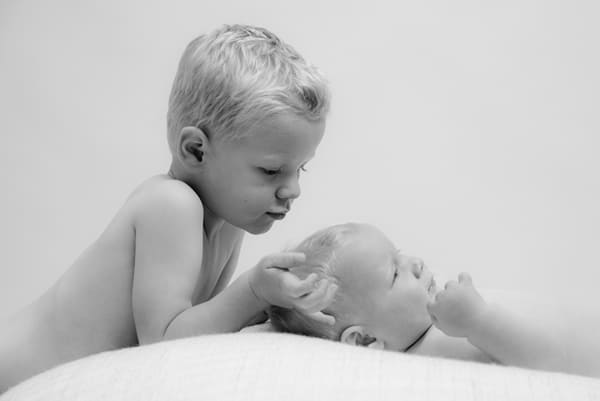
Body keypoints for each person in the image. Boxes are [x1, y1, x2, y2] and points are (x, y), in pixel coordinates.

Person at [0, 24, 338, 392]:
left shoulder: (228, 222)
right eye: (271, 170)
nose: (293, 189)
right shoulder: (171, 205)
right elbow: (163, 345)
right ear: (196, 150)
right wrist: (254, 290)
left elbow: (198, 326)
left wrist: (281, 302)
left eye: (299, 168)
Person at [268, 222, 600, 378]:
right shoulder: (431, 352)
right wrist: (479, 322)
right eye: (395, 274)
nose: (415, 263)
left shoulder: (433, 330)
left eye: (399, 254)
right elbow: (542, 364)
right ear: (365, 339)